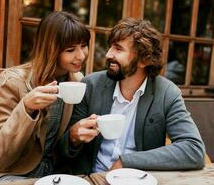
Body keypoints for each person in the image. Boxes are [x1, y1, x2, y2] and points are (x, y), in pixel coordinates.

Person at [55, 17, 205, 174]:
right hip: (92, 178)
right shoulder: (91, 85)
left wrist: (127, 162)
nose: (108, 54)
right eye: (110, 47)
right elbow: (62, 152)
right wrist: (73, 137)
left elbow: (193, 149)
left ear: (144, 60)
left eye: (118, 49)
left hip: (137, 179)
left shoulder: (167, 93)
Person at [0, 11, 90, 183]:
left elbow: (55, 148)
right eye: (70, 50)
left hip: (49, 173)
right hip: (3, 172)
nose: (81, 55)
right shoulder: (13, 82)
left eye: (84, 45)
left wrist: (73, 137)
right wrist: (26, 108)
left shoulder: (77, 82)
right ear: (50, 49)